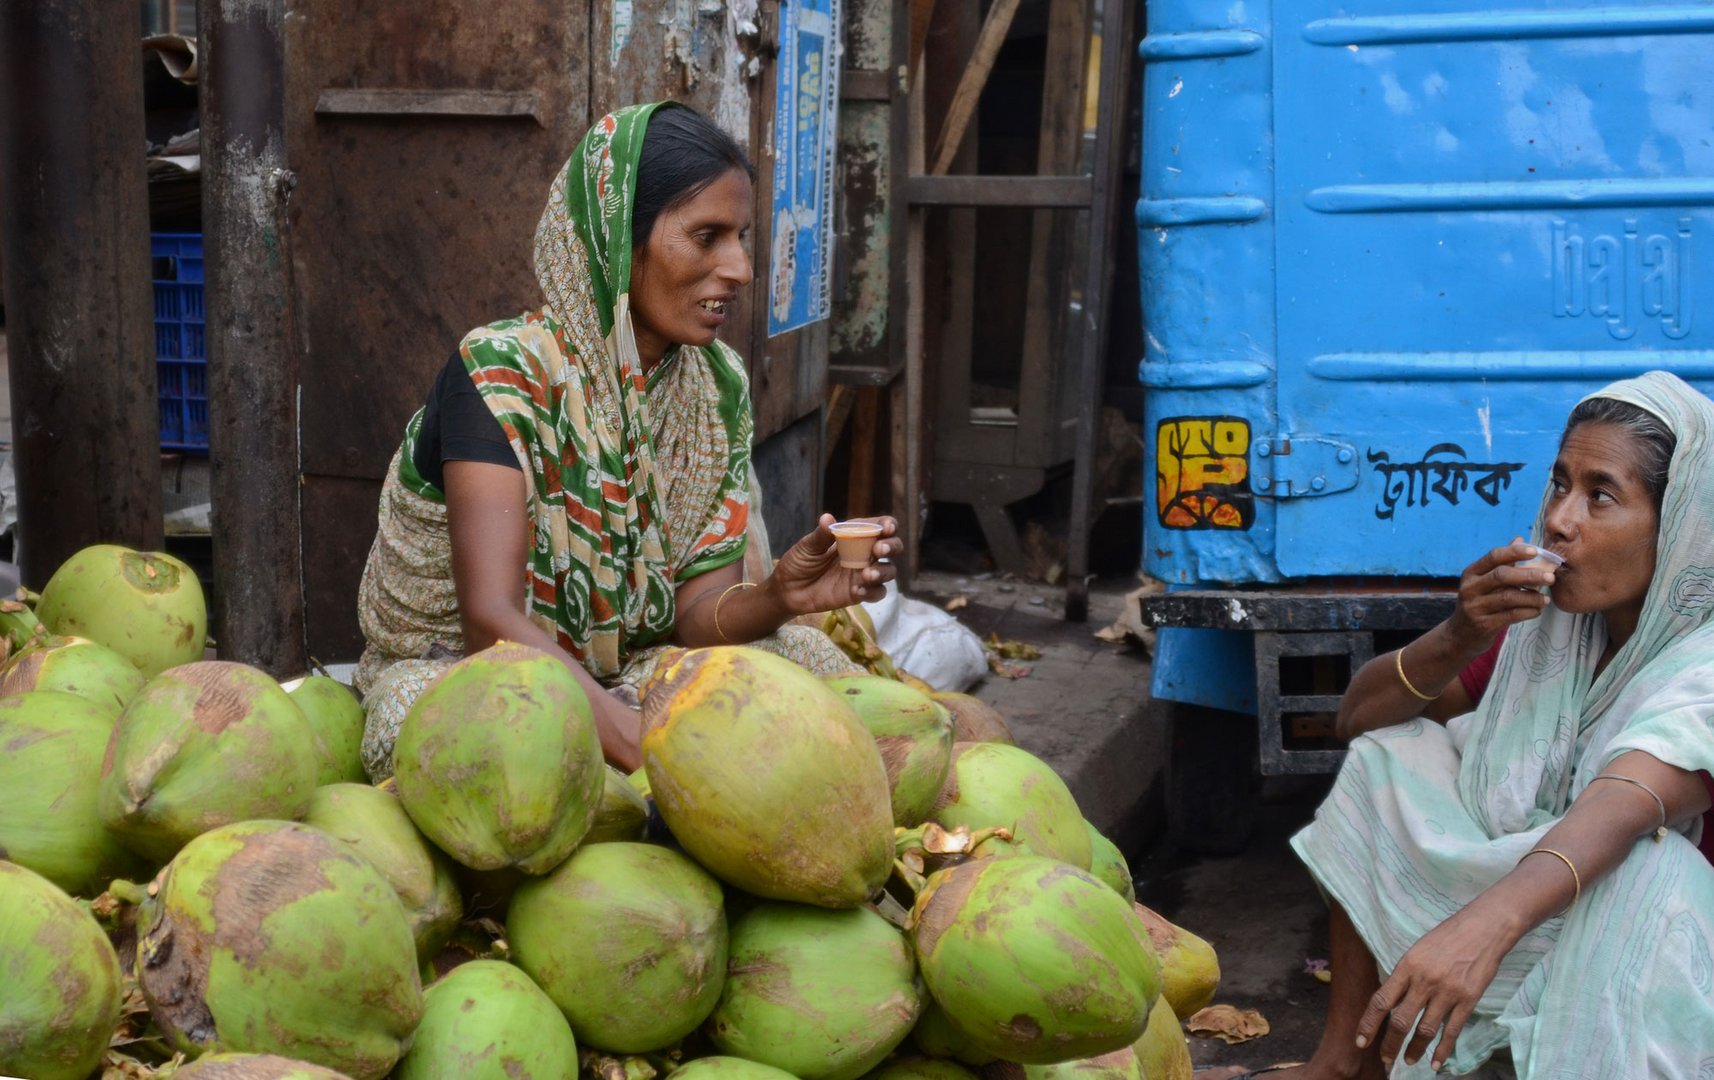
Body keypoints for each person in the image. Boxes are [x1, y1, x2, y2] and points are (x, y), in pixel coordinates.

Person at [351, 102, 893, 781]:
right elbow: (490, 620)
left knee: (804, 662)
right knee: (472, 750)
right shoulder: (502, 376)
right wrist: (646, 748)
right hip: (469, 675)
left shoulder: (712, 387)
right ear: (616, 239)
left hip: (628, 669)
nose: (741, 269)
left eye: (741, 237)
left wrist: (781, 595)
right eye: (706, 237)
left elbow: (695, 617)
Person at [1232, 372, 1714, 1080]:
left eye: (1600, 495)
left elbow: (1621, 804)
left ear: (1679, 527)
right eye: (1560, 485)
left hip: (1672, 945)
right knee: (1390, 757)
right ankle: (1342, 1065)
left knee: (1649, 863)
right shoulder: (1550, 634)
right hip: (1543, 883)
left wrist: (1482, 928)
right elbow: (1355, 721)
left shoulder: (1701, 663)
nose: (1560, 519)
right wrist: (1458, 632)